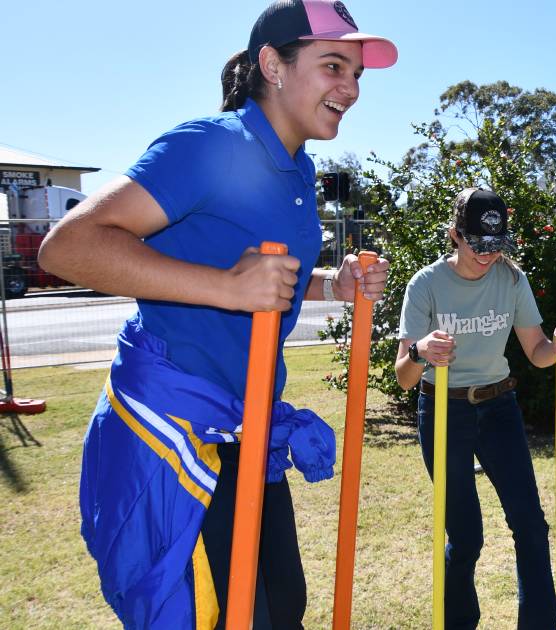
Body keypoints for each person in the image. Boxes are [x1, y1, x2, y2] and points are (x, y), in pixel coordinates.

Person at [37, 1, 396, 626]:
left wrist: (332, 286)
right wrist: (226, 288)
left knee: (280, 607)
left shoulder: (298, 168)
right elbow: (69, 247)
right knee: (211, 613)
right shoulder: (209, 144)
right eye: (334, 65)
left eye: (358, 74)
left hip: (249, 422)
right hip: (174, 428)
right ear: (272, 66)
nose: (351, 88)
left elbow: (260, 274)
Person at [393, 187, 556, 630]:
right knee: (466, 535)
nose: (488, 256)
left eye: (496, 247)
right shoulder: (426, 284)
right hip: (443, 411)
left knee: (531, 525)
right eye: (478, 245)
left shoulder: (511, 279)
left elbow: (535, 350)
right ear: (456, 235)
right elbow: (403, 375)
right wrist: (421, 351)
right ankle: (458, 622)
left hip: (499, 408)